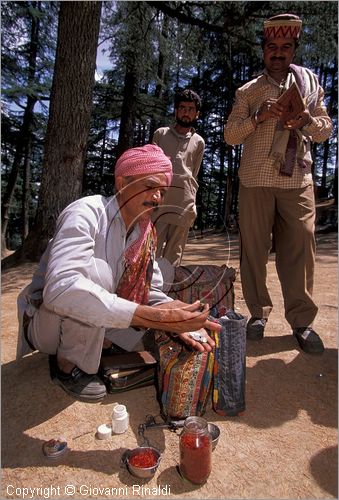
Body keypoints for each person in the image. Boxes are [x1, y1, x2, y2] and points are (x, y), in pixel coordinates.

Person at [17, 144, 221, 402]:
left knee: (158, 278)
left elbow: (147, 290)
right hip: (47, 325)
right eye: (150, 186)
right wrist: (158, 319)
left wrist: (175, 314)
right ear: (122, 181)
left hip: (95, 323)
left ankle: (98, 343)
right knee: (98, 273)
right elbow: (61, 289)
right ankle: (68, 366)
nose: (157, 197)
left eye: (162, 191)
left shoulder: (143, 232)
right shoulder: (86, 212)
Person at [224, 14, 332, 354]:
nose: (278, 53)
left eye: (286, 48)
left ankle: (301, 321)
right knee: (253, 250)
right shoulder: (249, 91)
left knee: (300, 247)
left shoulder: (311, 84)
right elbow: (229, 136)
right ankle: (257, 314)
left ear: (294, 49)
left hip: (297, 178)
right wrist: (259, 117)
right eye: (272, 47)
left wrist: (307, 120)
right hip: (255, 179)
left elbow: (326, 129)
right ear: (263, 51)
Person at [152, 89, 205, 266]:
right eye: (182, 107)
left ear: (197, 114)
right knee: (152, 248)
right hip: (159, 202)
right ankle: (145, 289)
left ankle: (167, 289)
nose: (186, 112)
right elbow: (152, 167)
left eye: (191, 109)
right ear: (175, 110)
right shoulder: (161, 134)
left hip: (184, 203)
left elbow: (193, 173)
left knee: (174, 254)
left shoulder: (199, 142)